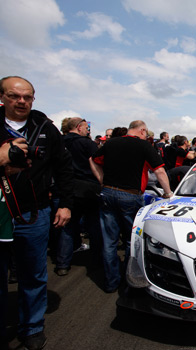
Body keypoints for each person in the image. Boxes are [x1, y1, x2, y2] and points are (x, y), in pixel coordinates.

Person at [0, 76, 74, 350]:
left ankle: (31, 327)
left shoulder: (45, 127)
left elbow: (64, 167)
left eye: (27, 97)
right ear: (2, 97)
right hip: (0, 213)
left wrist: (66, 203)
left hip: (35, 212)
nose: (21, 101)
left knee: (33, 273)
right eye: (14, 96)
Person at [89, 120, 172, 293]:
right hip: (130, 195)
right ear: (142, 131)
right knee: (131, 239)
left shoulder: (111, 142)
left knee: (109, 241)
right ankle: (129, 281)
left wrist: (102, 181)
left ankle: (111, 282)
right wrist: (168, 193)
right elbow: (159, 171)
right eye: (146, 133)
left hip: (108, 193)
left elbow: (93, 160)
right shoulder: (143, 146)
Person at [56, 117, 102, 276]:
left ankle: (62, 264)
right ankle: (97, 261)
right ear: (78, 127)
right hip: (88, 187)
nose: (87, 130)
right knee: (94, 226)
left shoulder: (59, 142)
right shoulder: (86, 143)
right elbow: (98, 162)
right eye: (85, 128)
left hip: (66, 188)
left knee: (67, 227)